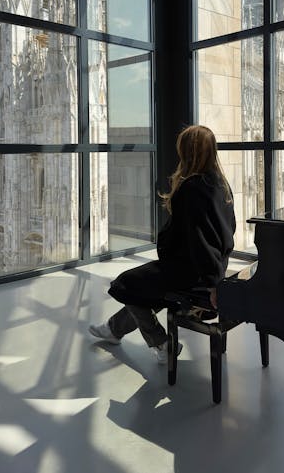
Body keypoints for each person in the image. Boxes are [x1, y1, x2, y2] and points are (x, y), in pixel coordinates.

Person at [88, 124, 236, 363]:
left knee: (125, 284)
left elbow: (200, 241)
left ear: (188, 152)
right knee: (144, 288)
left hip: (190, 271)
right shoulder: (220, 183)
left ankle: (161, 344)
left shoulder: (191, 188)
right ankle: (114, 329)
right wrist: (216, 274)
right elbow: (228, 230)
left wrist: (212, 284)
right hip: (208, 266)